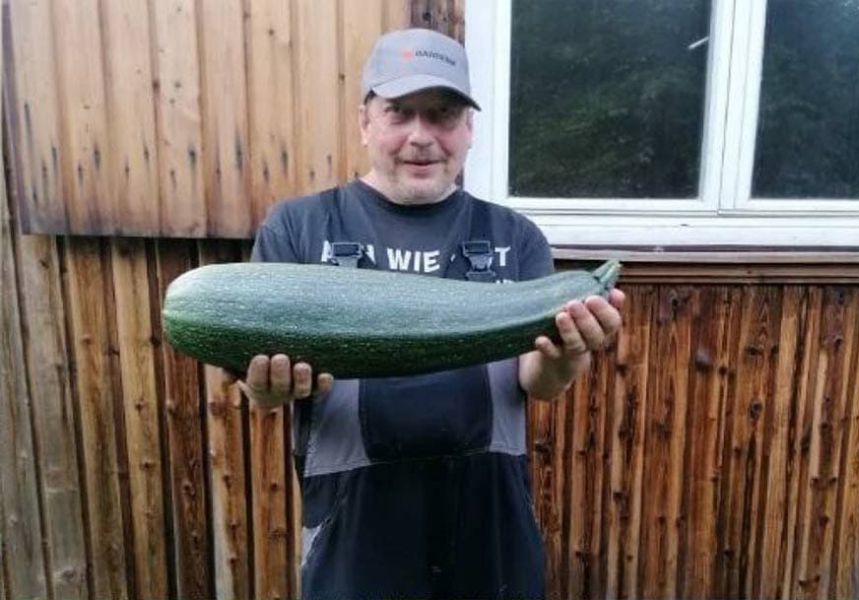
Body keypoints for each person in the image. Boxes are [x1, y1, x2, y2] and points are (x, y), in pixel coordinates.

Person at [238, 28, 624, 600]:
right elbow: (257, 388)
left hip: (489, 534)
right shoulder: (299, 228)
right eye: (399, 112)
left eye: (442, 114)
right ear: (365, 122)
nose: (421, 136)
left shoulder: (514, 237)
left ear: (469, 129)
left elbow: (539, 382)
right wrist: (264, 389)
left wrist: (566, 358)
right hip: (353, 536)